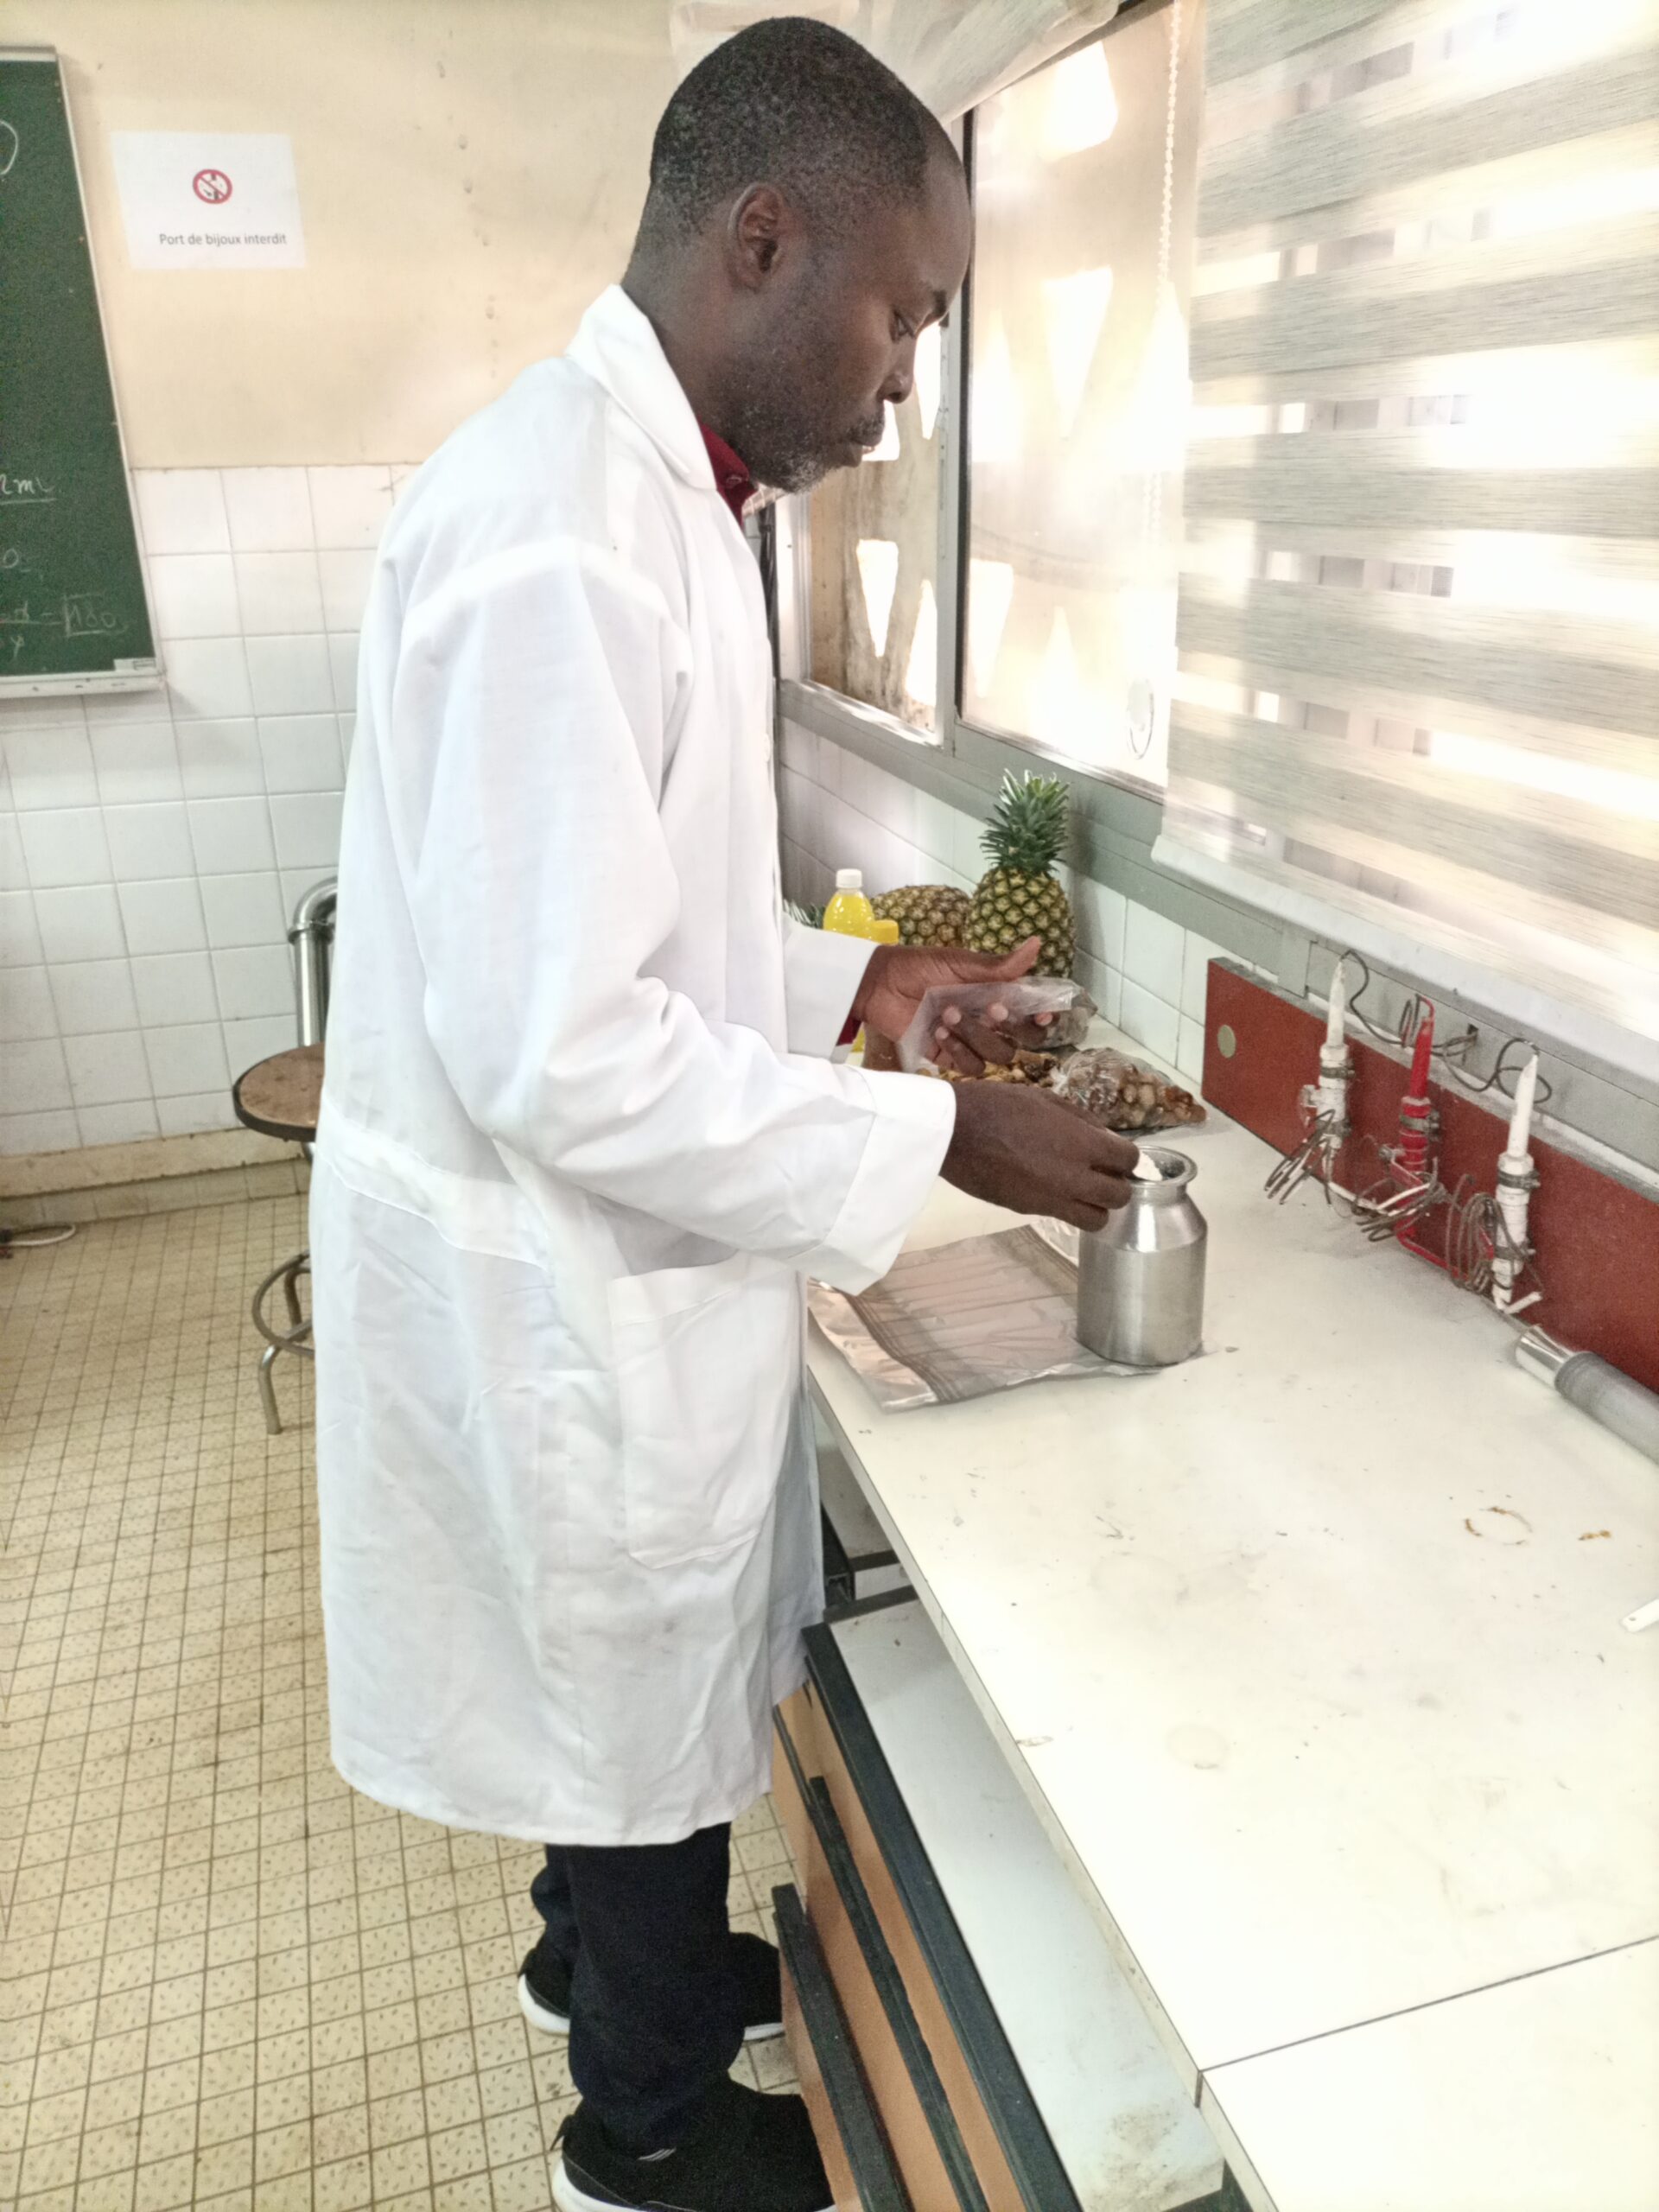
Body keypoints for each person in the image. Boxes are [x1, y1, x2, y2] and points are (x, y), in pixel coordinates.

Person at [311, 18, 1137, 2212]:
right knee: (625, 1663)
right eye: (904, 317)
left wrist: (860, 980)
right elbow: (563, 1045)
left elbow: (641, 908)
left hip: (580, 1258)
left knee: (622, 1668)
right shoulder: (568, 533)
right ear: (763, 240)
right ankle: (647, 2128)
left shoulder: (669, 490)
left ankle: (600, 1965)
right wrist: (938, 1138)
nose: (907, 386)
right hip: (551, 1269)